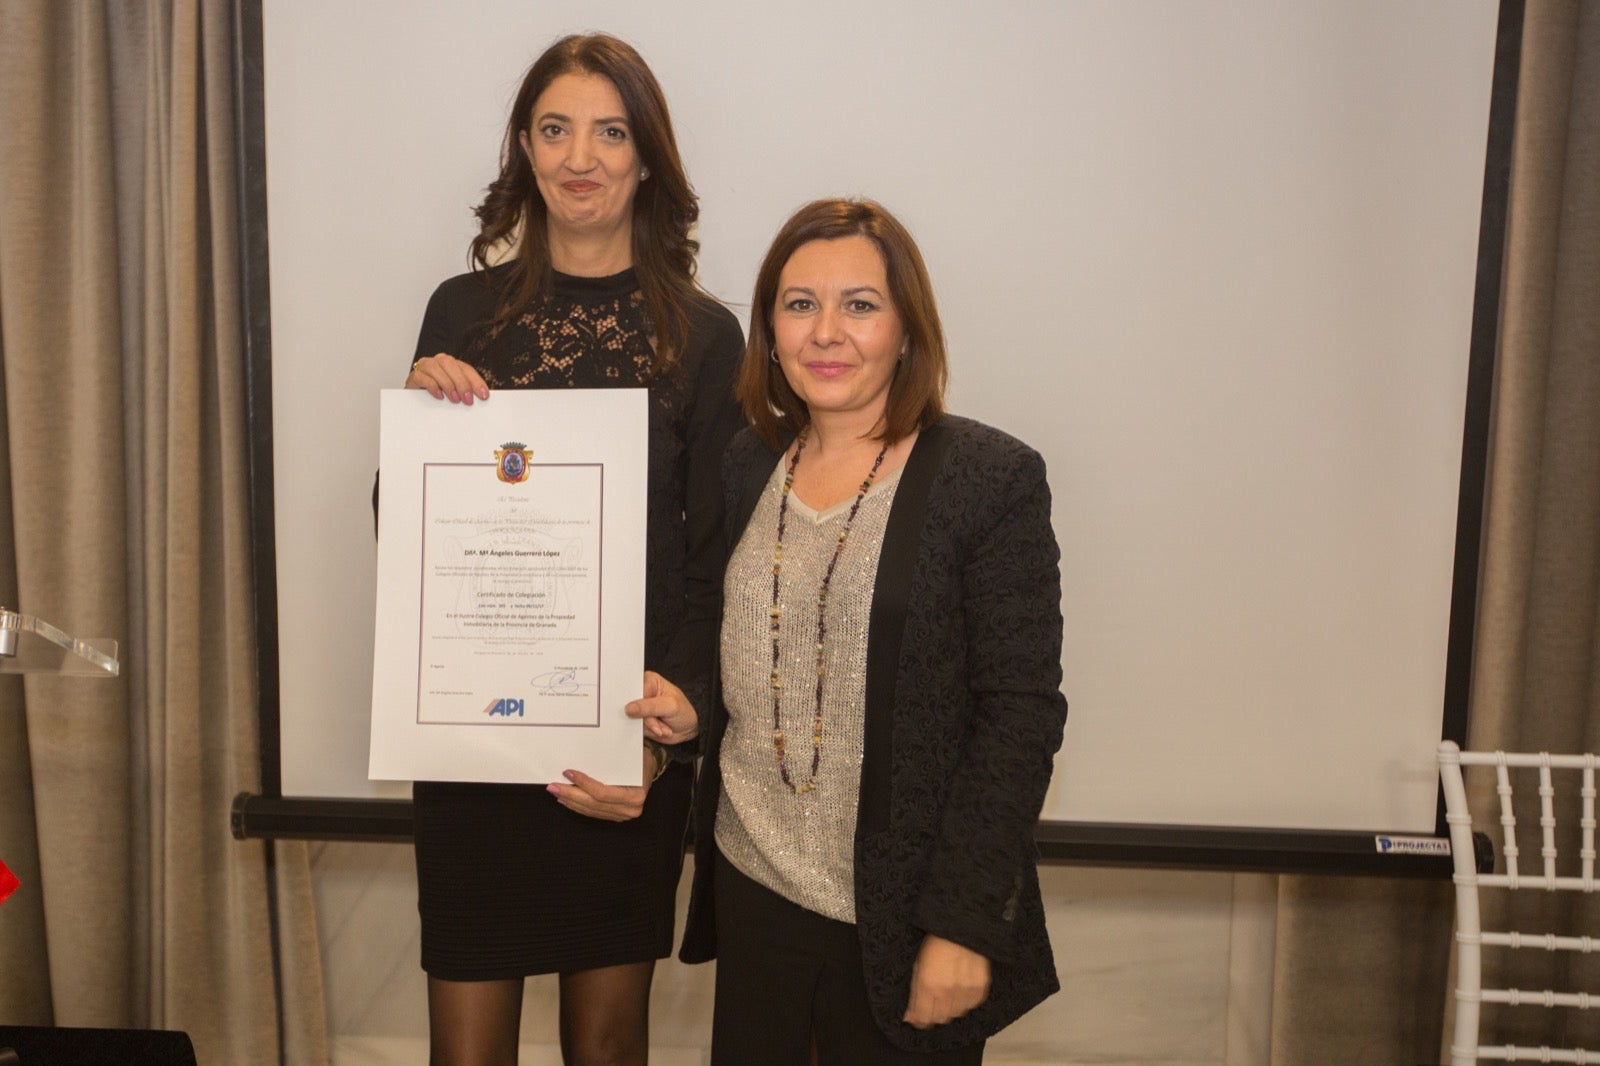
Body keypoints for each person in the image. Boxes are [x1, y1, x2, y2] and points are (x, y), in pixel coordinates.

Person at [400, 33, 743, 1066]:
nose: (579, 156)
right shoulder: (459, 312)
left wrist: (656, 743)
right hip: (471, 752)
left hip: (620, 754)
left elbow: (713, 564)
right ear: (524, 148)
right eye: (555, 129)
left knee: (606, 1047)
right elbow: (411, 536)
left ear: (647, 158)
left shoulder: (704, 335)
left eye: (609, 131)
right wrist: (417, 435)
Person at [679, 199, 1068, 1064]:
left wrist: (965, 925)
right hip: (754, 894)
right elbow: (741, 645)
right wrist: (688, 709)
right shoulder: (747, 464)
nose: (827, 332)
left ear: (906, 329)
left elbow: (1021, 716)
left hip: (903, 917)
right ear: (769, 331)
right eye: (798, 303)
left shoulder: (988, 478)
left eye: (859, 305)